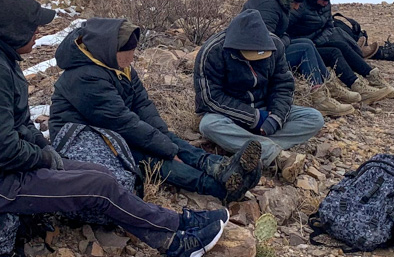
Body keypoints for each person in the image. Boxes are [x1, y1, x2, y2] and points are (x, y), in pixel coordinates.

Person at [0, 0, 228, 257]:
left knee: (102, 174)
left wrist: (45, 149)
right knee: (99, 187)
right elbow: (1, 151)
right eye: (33, 28)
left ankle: (175, 225)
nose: (38, 34)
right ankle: (177, 240)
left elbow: (20, 125)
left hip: (1, 172)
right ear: (14, 32)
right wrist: (44, 160)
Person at [49, 17, 261, 203]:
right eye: (129, 52)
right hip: (86, 138)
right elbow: (123, 122)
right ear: (111, 50)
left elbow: (142, 104)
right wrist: (166, 149)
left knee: (164, 139)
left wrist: (164, 136)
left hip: (114, 130)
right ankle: (220, 189)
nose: (132, 58)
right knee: (151, 157)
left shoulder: (117, 65)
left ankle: (221, 169)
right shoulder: (85, 77)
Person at [194, 9, 325, 166]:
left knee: (314, 118)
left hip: (267, 110)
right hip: (230, 115)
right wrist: (254, 118)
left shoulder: (275, 45)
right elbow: (209, 99)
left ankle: (245, 146)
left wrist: (276, 118)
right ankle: (273, 154)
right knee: (208, 125)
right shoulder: (213, 51)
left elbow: (283, 86)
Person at [243, 0, 350, 117]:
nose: (298, 7)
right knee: (304, 48)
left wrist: (285, 38)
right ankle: (319, 97)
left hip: (264, 51)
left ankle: (328, 84)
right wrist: (285, 40)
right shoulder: (268, 7)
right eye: (297, 3)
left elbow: (279, 33)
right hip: (254, 60)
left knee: (306, 44)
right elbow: (266, 44)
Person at [287, 0, 394, 103]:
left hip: (315, 42)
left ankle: (374, 78)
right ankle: (358, 87)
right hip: (303, 49)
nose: (325, 2)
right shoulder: (298, 6)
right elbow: (284, 34)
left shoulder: (324, 3)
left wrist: (318, 41)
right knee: (334, 52)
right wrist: (311, 44)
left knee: (342, 46)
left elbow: (329, 26)